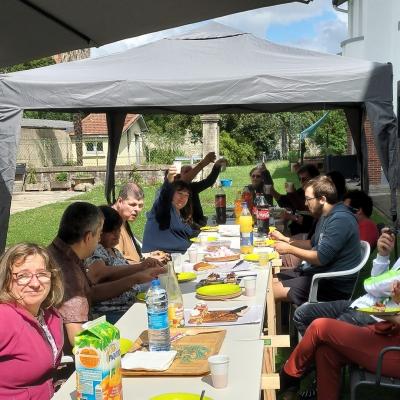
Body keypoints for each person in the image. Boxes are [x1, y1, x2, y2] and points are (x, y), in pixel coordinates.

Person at [48, 202, 165, 351]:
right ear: (88, 237)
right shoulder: (67, 271)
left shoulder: (63, 254)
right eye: (98, 234)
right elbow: (78, 338)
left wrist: (136, 278)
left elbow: (92, 294)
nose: (99, 241)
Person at [279, 283, 400, 400]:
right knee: (325, 351)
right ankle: (291, 379)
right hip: (388, 334)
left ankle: (287, 377)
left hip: (393, 352)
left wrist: (393, 316)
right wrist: (397, 300)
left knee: (319, 326)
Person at [272, 175, 361, 306]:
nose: (305, 203)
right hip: (317, 275)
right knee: (269, 282)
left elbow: (320, 258)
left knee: (269, 291)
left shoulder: (340, 220)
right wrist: (285, 239)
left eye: (308, 199)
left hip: (331, 285)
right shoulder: (327, 215)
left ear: (322, 199)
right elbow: (311, 244)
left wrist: (289, 249)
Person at [293, 228, 398, 337]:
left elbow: (372, 286)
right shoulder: (330, 218)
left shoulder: (341, 219)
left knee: (323, 334)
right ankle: (319, 349)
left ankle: (322, 349)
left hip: (376, 315)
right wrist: (383, 256)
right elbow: (378, 286)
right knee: (301, 315)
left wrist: (290, 248)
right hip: (362, 303)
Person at [0, 243, 64, 399]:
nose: (35, 284)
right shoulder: (4, 318)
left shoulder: (50, 314)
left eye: (42, 274)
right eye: (22, 276)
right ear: (7, 279)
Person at [85, 205, 153, 324]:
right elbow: (97, 273)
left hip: (130, 306)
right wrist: (140, 267)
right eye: (111, 231)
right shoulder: (96, 249)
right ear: (99, 232)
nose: (117, 234)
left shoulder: (113, 250)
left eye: (118, 229)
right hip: (113, 314)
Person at [142, 165, 196, 254]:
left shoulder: (181, 213)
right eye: (179, 193)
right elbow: (165, 196)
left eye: (186, 195)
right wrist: (169, 179)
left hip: (180, 255)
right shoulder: (163, 209)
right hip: (160, 260)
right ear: (171, 193)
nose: (183, 198)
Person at [112, 182, 168, 263]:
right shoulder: (111, 223)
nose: (137, 209)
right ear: (120, 201)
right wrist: (146, 263)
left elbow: (130, 255)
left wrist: (148, 256)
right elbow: (117, 264)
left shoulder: (122, 218)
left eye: (140, 205)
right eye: (132, 204)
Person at [178, 152, 226, 227]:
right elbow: (183, 182)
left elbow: (209, 181)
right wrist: (205, 162)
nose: (190, 174)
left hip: (200, 222)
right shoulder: (174, 188)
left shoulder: (193, 186)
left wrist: (216, 166)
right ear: (180, 174)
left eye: (191, 171)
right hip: (188, 226)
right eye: (186, 172)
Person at [272, 164, 320, 236]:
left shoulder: (319, 195)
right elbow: (288, 203)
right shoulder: (301, 191)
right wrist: (273, 192)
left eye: (304, 179)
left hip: (307, 235)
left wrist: (292, 217)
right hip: (296, 231)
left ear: (314, 179)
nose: (301, 182)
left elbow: (313, 222)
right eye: (299, 179)